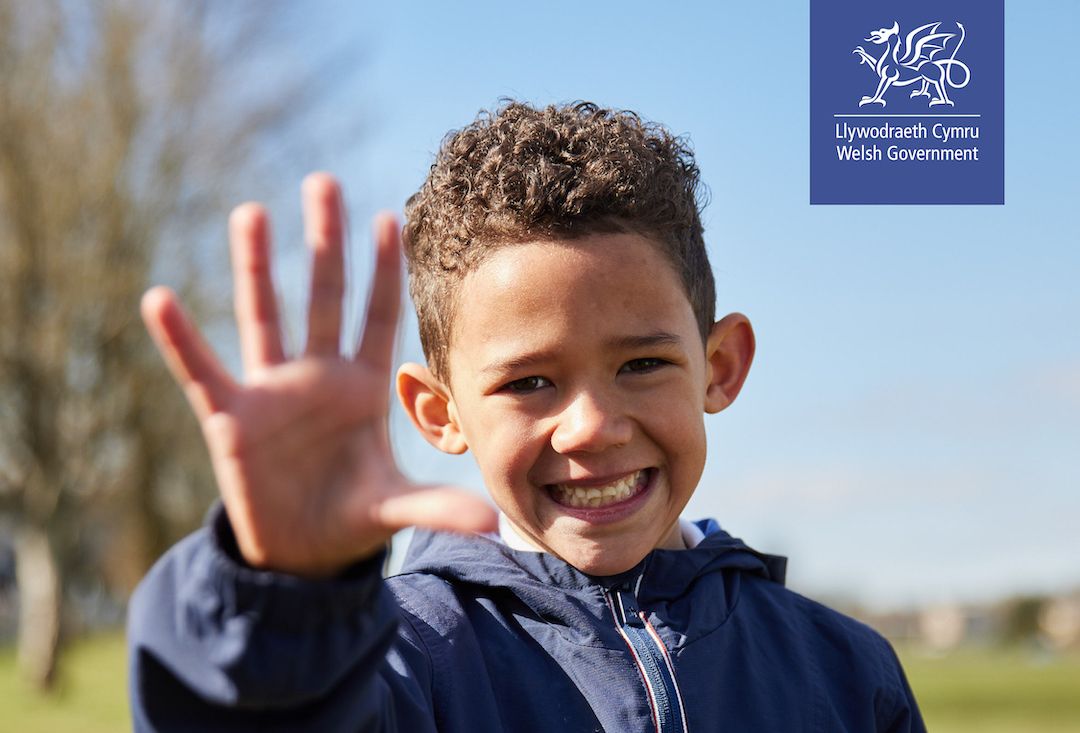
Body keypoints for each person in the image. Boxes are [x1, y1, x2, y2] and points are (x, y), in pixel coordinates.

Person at [128, 100, 926, 732]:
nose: (592, 426)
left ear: (719, 366)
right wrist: (282, 601)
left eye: (642, 365)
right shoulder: (401, 662)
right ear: (439, 413)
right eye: (530, 382)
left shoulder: (845, 674)